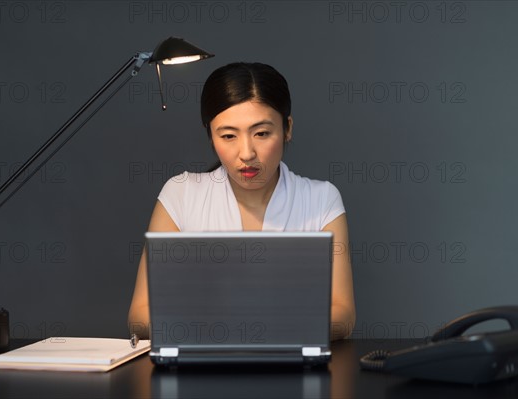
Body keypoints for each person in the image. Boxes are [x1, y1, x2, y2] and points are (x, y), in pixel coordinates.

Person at [128, 62, 355, 340]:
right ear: (210, 136)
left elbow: (343, 316)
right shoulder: (181, 194)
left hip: (290, 369)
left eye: (261, 133)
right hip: (201, 370)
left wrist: (245, 327)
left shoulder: (320, 199)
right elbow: (140, 316)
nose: (246, 153)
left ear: (287, 129)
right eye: (228, 136)